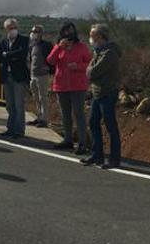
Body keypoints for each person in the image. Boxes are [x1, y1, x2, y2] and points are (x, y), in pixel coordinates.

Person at [46, 22, 91, 155]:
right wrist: (58, 48)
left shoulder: (81, 47)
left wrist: (77, 66)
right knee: (65, 115)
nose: (68, 33)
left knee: (79, 114)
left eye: (70, 31)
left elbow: (89, 64)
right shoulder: (59, 47)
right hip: (61, 85)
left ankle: (82, 143)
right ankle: (68, 140)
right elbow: (50, 61)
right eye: (66, 31)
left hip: (78, 86)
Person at [82, 23, 122, 169]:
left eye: (92, 35)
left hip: (108, 93)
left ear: (100, 37)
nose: (90, 38)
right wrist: (90, 71)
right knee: (93, 123)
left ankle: (114, 159)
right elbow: (89, 71)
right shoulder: (98, 52)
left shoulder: (109, 53)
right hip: (97, 93)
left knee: (110, 126)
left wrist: (90, 71)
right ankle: (97, 155)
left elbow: (92, 72)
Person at [0, 18, 30, 138]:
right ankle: (10, 128)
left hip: (19, 77)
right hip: (7, 76)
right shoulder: (3, 42)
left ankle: (19, 131)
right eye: (10, 28)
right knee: (10, 105)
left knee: (19, 105)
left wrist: (7, 55)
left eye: (15, 27)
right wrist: (10, 56)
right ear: (6, 29)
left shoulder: (24, 40)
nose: (13, 30)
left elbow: (22, 54)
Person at [27, 25, 54, 128]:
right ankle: (39, 117)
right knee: (36, 97)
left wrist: (50, 70)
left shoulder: (46, 45)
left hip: (42, 75)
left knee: (43, 97)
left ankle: (44, 119)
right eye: (33, 31)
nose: (34, 33)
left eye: (37, 31)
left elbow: (52, 59)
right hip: (33, 75)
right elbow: (30, 59)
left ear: (41, 33)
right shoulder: (32, 46)